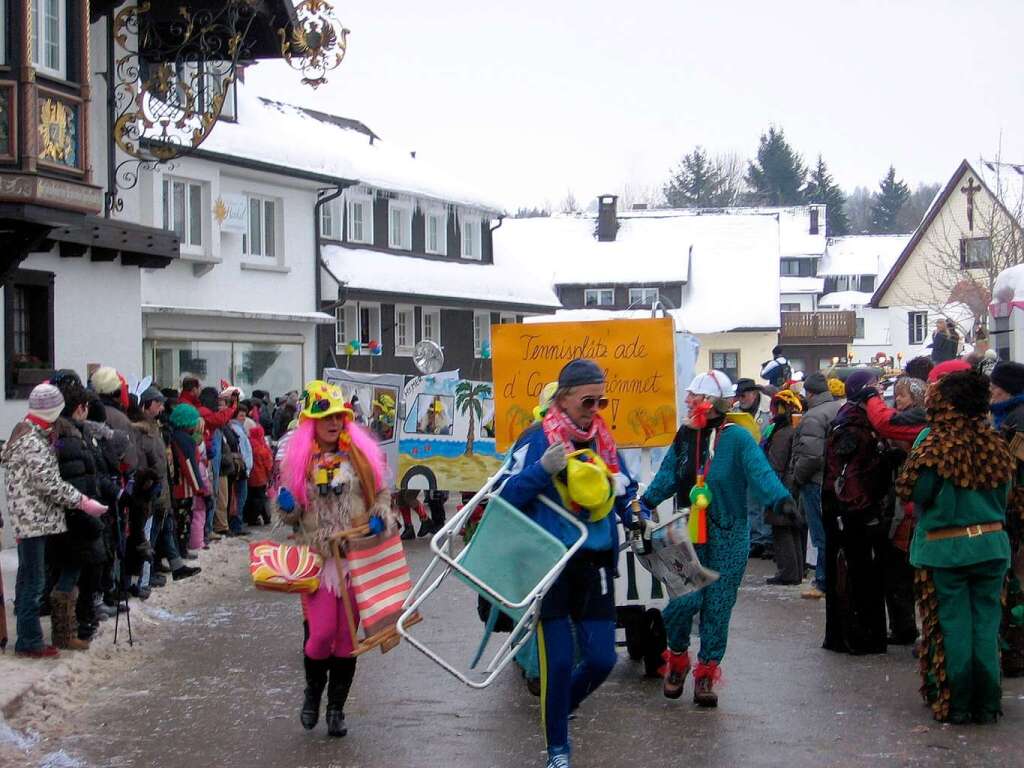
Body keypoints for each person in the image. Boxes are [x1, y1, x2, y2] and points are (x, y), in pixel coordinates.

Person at [497, 359, 638, 768]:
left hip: (594, 563)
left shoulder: (603, 440)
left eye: (602, 400)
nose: (595, 408)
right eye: (587, 400)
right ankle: (558, 748)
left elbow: (624, 491)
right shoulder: (535, 439)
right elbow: (503, 499)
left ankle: (560, 707)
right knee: (557, 663)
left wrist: (636, 513)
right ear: (562, 398)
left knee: (601, 660)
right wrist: (542, 471)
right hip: (550, 564)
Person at [641, 371, 794, 707]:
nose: (687, 400)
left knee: (718, 606)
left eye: (693, 396)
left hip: (728, 533)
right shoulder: (686, 435)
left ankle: (706, 673)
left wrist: (780, 499)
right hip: (687, 534)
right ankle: (678, 658)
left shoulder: (737, 438)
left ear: (709, 403)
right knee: (685, 602)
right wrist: (645, 502)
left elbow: (759, 471)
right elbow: (668, 474)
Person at [276, 380, 393, 738]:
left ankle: (336, 709)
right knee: (320, 635)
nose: (334, 422)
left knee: (346, 640)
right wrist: (288, 507)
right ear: (311, 421)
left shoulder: (358, 457)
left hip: (356, 559)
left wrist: (379, 515)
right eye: (325, 416)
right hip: (319, 559)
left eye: (339, 416)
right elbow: (291, 515)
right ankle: (313, 693)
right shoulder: (300, 462)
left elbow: (383, 493)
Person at [897, 368, 1014, 723]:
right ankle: (987, 702)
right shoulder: (995, 443)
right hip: (992, 546)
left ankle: (958, 702)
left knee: (952, 623)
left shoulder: (934, 444)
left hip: (945, 548)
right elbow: (1006, 495)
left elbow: (915, 493)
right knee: (986, 623)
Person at [1, 384, 108, 658]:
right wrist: (84, 502)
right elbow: (49, 483)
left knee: (31, 579)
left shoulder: (30, 434)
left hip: (34, 519)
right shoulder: (32, 441)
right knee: (33, 582)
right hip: (34, 520)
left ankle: (30, 637)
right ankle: (29, 640)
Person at [821, 370, 891, 655]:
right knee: (855, 574)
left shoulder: (858, 421)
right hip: (851, 514)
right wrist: (863, 509)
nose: (879, 391)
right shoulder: (850, 425)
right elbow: (845, 476)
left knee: (859, 574)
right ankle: (856, 637)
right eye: (874, 386)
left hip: (851, 511)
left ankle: (857, 635)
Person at [856, 375, 928, 645]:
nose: (897, 401)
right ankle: (905, 626)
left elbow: (884, 422)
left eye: (903, 395)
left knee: (901, 570)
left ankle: (906, 628)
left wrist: (872, 397)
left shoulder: (917, 422)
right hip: (906, 506)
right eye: (895, 395)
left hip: (909, 509)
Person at [788, 372, 843, 599]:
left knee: (821, 535)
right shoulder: (838, 408)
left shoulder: (813, 416)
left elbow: (811, 456)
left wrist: (797, 478)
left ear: (810, 393)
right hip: (835, 480)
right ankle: (832, 578)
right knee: (832, 533)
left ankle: (822, 580)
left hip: (815, 482)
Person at [988, 360, 1024, 677]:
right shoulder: (1007, 416)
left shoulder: (1016, 420)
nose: (990, 393)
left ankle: (1016, 653)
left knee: (1017, 585)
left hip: (1017, 515)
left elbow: (1011, 473)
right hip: (1013, 514)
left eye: (994, 388)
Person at [763, 389, 804, 585]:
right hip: (793, 485)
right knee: (792, 528)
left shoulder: (781, 434)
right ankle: (796, 571)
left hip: (780, 487)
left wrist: (771, 490)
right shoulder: (794, 430)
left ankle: (788, 572)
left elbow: (776, 464)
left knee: (782, 530)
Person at [735, 378, 773, 559]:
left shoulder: (769, 408)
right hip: (743, 463)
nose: (740, 399)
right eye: (738, 395)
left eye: (743, 395)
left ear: (754, 393)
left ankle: (767, 540)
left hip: (765, 462)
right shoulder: (734, 411)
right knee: (750, 503)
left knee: (765, 501)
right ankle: (755, 540)